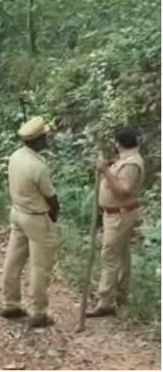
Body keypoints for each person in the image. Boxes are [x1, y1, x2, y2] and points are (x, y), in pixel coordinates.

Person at [0, 116, 59, 328]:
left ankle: (10, 303)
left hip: (17, 213)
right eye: (45, 137)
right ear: (37, 140)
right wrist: (52, 219)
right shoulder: (38, 166)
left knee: (13, 260)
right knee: (40, 266)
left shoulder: (15, 156)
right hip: (35, 217)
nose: (48, 139)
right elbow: (52, 198)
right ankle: (40, 312)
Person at [87, 126, 146, 318]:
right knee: (120, 254)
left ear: (118, 144)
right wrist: (109, 166)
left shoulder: (131, 164)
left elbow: (123, 191)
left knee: (110, 255)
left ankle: (105, 301)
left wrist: (105, 170)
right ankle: (120, 291)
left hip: (120, 215)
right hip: (114, 214)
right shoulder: (125, 161)